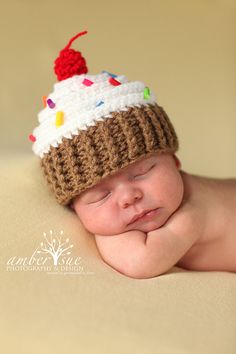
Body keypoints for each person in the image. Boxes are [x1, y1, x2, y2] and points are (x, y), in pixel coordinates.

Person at [30, 31, 236, 279]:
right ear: (74, 208)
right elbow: (139, 260)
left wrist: (105, 233)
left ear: (175, 161)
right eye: (101, 195)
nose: (129, 197)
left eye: (141, 173)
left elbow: (142, 262)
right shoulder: (136, 217)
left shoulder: (189, 210)